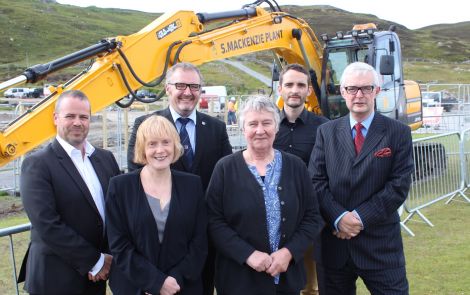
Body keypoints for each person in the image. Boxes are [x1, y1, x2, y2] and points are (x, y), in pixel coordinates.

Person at [308, 62, 413, 295]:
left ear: (377, 91)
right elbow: (316, 182)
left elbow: (398, 186)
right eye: (352, 88)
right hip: (334, 247)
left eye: (366, 88)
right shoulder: (326, 132)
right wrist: (338, 217)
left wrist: (358, 218)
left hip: (380, 247)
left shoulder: (398, 133)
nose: (359, 95)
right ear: (342, 91)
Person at [127, 62, 232, 295]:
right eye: (181, 85)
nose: (187, 92)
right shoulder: (145, 125)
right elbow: (136, 179)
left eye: (194, 86)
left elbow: (227, 180)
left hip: (203, 243)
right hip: (159, 244)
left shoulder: (216, 128)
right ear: (167, 89)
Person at [206, 96, 323, 295]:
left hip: (286, 279)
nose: (260, 130)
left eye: (267, 123)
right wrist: (248, 255)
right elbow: (213, 220)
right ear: (243, 129)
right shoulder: (225, 168)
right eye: (253, 124)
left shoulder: (296, 166)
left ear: (276, 127)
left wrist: (289, 253)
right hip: (239, 279)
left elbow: (312, 218)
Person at [18, 90, 120, 295]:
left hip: (95, 278)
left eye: (83, 117)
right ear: (56, 118)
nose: (77, 122)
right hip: (55, 279)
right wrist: (95, 260)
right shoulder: (37, 163)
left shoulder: (105, 158)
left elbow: (117, 211)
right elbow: (47, 224)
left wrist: (107, 256)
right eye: (70, 116)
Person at [106, 115, 207, 295]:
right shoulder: (120, 187)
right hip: (135, 287)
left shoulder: (193, 185)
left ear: (175, 145)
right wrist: (155, 282)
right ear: (142, 149)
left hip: (182, 287)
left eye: (165, 142)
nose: (160, 150)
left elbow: (199, 242)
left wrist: (174, 280)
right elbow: (118, 244)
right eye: (152, 144)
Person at [273, 63, 328, 295]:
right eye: (289, 85)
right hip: (274, 219)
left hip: (309, 220)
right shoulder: (269, 125)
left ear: (308, 91)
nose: (294, 90)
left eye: (300, 85)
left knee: (310, 286)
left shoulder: (324, 127)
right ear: (280, 89)